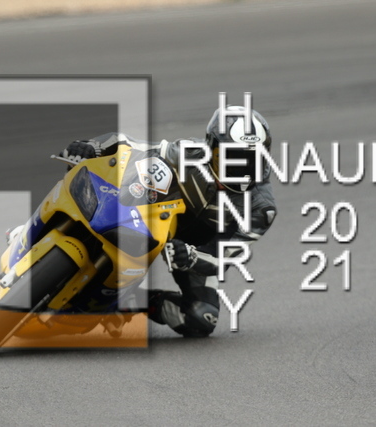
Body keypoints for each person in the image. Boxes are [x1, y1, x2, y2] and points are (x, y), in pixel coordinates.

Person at [57, 105, 277, 338]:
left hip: (195, 249)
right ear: (211, 148)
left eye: (252, 159)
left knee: (201, 318)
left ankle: (131, 301)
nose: (241, 169)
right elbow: (132, 145)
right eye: (231, 158)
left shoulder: (261, 209)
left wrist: (191, 257)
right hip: (158, 212)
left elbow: (223, 258)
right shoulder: (189, 153)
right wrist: (94, 146)